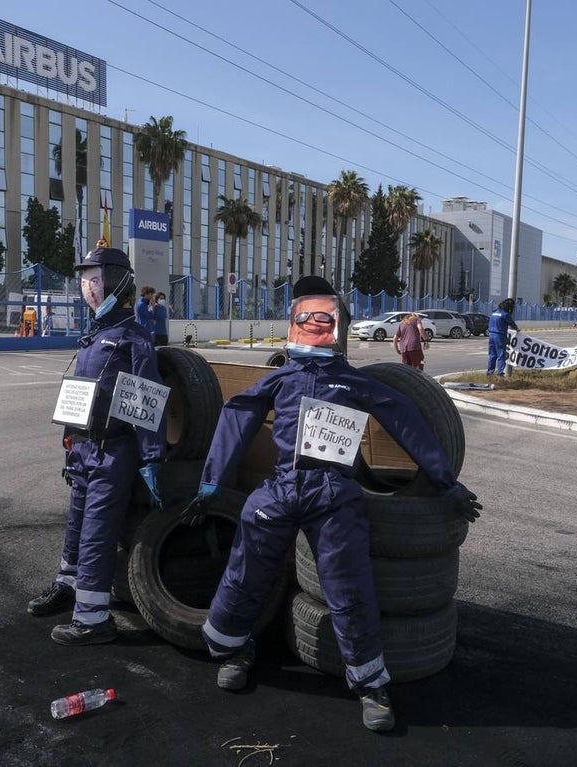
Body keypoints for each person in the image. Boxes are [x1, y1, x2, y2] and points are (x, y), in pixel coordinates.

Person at [180, 276, 482, 733]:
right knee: (246, 570)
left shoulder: (352, 382)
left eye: (325, 319)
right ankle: (232, 647)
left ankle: (369, 683)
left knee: (349, 587)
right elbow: (237, 413)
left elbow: (405, 419)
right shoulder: (281, 378)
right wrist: (210, 485)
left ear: (338, 326)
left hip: (334, 494)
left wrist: (445, 483)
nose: (318, 325)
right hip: (280, 488)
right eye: (309, 318)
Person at [28, 244, 166, 646]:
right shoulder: (95, 335)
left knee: (96, 530)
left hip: (113, 452)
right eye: (85, 276)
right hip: (84, 449)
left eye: (96, 275)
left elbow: (145, 401)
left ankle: (92, 618)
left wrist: (152, 459)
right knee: (75, 524)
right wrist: (69, 442)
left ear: (116, 281)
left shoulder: (133, 338)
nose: (88, 284)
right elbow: (80, 394)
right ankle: (68, 585)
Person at [487, 298, 520, 377]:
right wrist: (517, 329)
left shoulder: (494, 312)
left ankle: (489, 372)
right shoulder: (505, 314)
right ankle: (500, 373)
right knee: (501, 355)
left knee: (492, 355)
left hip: (491, 335)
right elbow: (512, 324)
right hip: (499, 335)